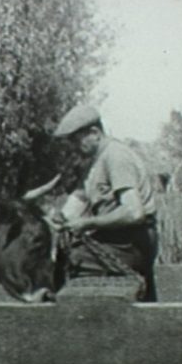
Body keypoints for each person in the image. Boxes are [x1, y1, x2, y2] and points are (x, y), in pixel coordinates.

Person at [25, 104, 158, 302]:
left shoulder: (116, 157)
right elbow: (79, 199)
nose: (73, 147)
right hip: (116, 241)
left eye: (76, 140)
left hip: (133, 243)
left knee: (75, 259)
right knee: (63, 251)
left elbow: (134, 212)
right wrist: (60, 219)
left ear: (94, 133)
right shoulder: (93, 163)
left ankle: (76, 314)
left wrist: (88, 223)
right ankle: (60, 307)